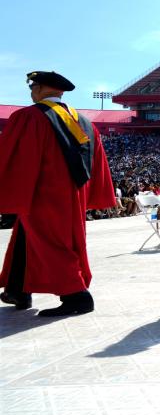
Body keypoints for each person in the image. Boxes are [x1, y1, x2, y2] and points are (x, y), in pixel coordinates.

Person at [0, 71, 115, 316]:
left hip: (45, 193)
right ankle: (17, 289)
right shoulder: (84, 121)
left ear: (42, 89)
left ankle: (77, 295)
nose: (31, 93)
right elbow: (97, 163)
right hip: (75, 193)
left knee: (50, 241)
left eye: (33, 88)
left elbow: (20, 158)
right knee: (27, 236)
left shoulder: (30, 117)